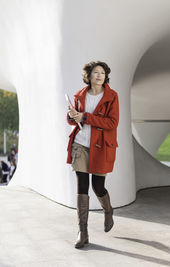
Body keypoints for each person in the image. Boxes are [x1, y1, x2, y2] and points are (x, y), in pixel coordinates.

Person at [66, 61, 119, 248]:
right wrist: (72, 116)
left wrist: (86, 117)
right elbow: (74, 120)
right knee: (82, 186)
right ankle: (83, 231)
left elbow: (112, 123)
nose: (99, 75)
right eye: (96, 72)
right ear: (88, 75)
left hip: (101, 147)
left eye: (102, 73)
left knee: (98, 187)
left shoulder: (112, 97)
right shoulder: (80, 95)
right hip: (80, 144)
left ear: (106, 77)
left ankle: (108, 210)